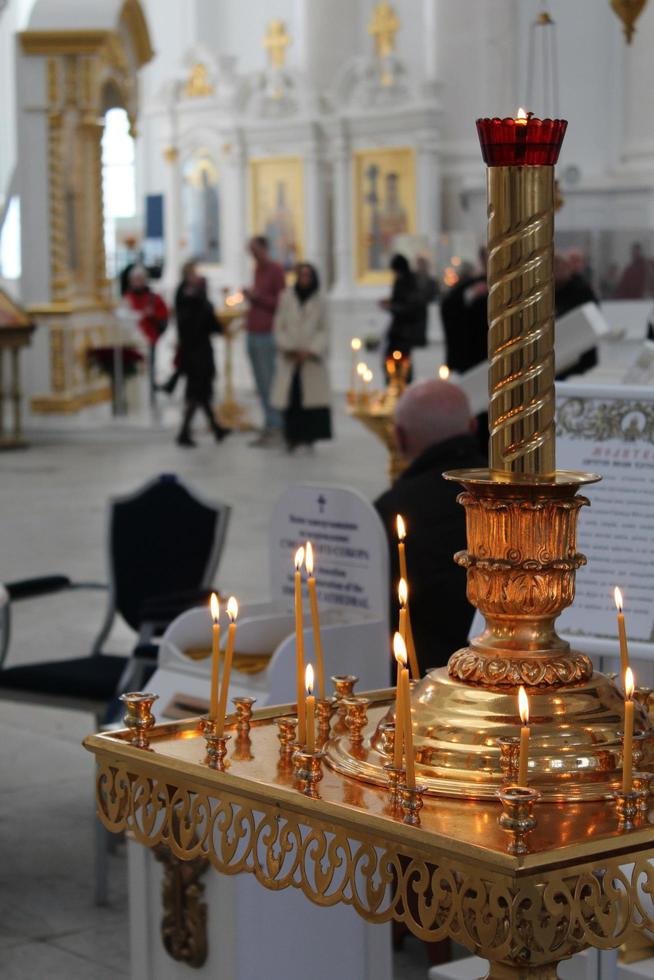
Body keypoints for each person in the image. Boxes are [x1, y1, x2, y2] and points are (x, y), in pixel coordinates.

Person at [375, 379, 486, 675]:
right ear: (473, 427)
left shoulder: (392, 508)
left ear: (399, 438)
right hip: (498, 667)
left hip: (422, 680)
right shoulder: (506, 496)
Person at [270, 263, 332, 452]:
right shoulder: (286, 297)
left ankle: (309, 436)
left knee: (311, 400)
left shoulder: (320, 300)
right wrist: (290, 348)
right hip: (291, 356)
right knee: (292, 398)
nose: (304, 279)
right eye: (302, 275)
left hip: (310, 358)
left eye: (308, 276)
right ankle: (292, 436)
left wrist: (310, 350)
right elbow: (279, 326)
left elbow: (324, 329)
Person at [174, 261, 229, 447]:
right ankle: (185, 432)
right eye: (194, 274)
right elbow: (201, 321)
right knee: (197, 392)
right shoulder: (189, 297)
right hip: (195, 352)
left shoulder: (192, 295)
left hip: (198, 350)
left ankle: (216, 428)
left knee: (202, 393)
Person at [243, 236, 286, 447]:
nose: (252, 255)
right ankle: (269, 424)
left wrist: (257, 297)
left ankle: (277, 426)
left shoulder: (275, 270)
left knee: (269, 381)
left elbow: (282, 301)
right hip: (252, 330)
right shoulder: (257, 270)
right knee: (260, 383)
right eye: (249, 251)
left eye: (254, 250)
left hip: (267, 332)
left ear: (264, 248)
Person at [123, 265, 169, 405]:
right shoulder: (127, 297)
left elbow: (164, 318)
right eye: (134, 280)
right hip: (130, 341)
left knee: (149, 370)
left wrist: (152, 316)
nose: (136, 282)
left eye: (139, 279)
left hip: (149, 340)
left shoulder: (154, 298)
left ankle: (150, 397)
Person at [553, 252, 599, 379]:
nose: (556, 272)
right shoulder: (549, 290)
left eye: (559, 267)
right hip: (557, 355)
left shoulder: (581, 289)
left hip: (581, 356)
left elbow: (591, 315)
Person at [379, 254, 426, 372]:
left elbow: (409, 307)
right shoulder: (409, 281)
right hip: (403, 331)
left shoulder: (406, 282)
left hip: (403, 332)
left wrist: (391, 306)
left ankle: (398, 385)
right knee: (398, 362)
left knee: (399, 362)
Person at [413, 255, 439, 348]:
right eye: (420, 264)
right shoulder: (412, 279)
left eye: (423, 264)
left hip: (425, 307)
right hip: (415, 308)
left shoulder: (431, 281)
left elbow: (435, 293)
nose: (421, 266)